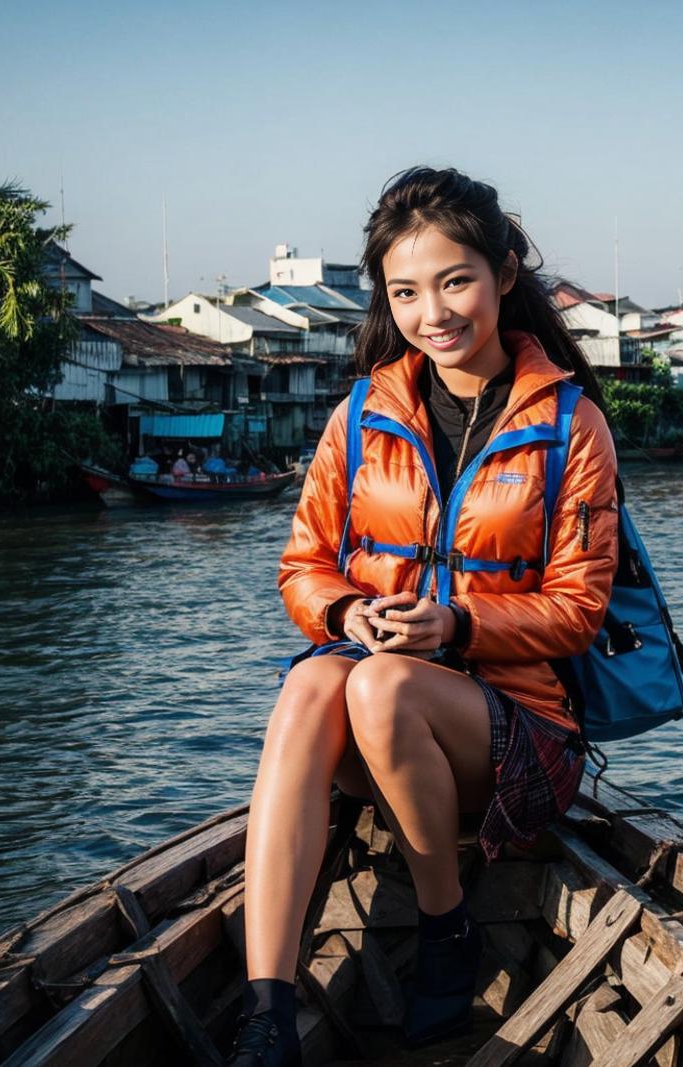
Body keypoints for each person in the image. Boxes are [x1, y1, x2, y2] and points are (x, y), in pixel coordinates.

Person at [231, 168, 619, 1065]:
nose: (432, 311)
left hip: (518, 739)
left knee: (380, 689)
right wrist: (349, 608)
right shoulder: (362, 414)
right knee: (314, 686)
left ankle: (447, 925)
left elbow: (579, 608)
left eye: (454, 281)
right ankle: (268, 1008)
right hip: (382, 720)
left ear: (504, 274)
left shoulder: (570, 424)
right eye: (404, 291)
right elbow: (303, 568)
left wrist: (457, 624)